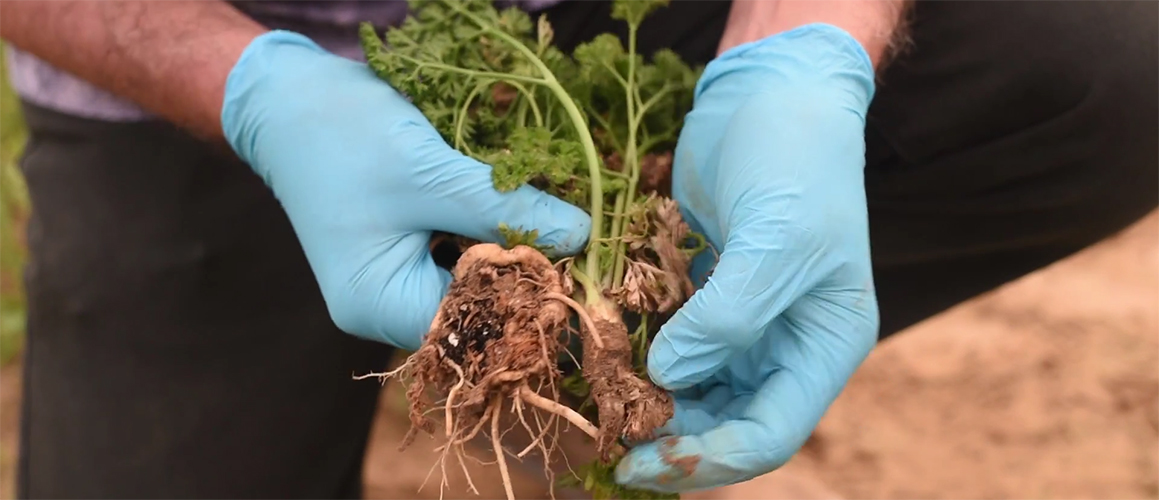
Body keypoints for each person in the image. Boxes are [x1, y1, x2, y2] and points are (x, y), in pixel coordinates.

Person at [0, 0, 1154, 497]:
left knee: (1107, 65)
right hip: (192, 64)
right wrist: (246, 88)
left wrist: (802, 45)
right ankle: (521, 364)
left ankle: (614, 377)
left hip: (613, 18)